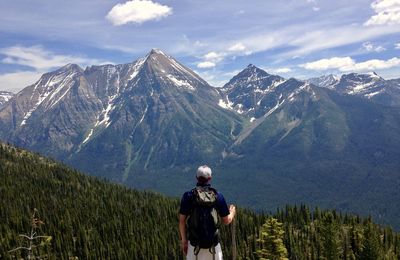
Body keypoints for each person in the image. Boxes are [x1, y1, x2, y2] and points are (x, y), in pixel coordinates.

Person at [179, 165, 236, 260]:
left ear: (196, 178)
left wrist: (184, 241)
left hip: (194, 246)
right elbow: (226, 221)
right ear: (210, 178)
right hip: (213, 246)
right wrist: (232, 212)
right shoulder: (218, 196)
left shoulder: (188, 196)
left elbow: (182, 221)